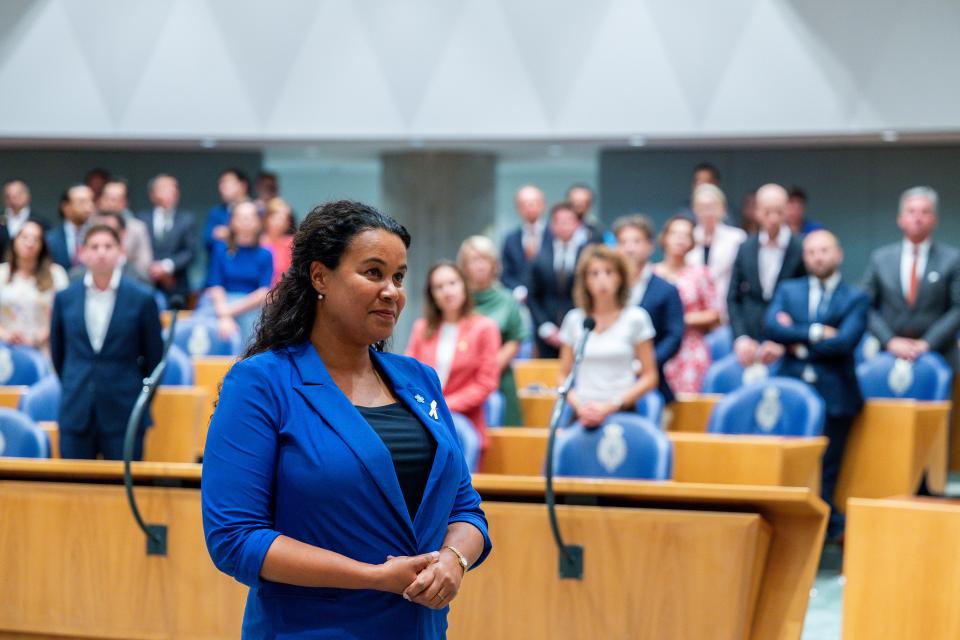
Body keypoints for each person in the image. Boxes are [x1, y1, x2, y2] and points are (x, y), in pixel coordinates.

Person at [201, 200, 491, 639]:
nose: (391, 290)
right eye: (373, 272)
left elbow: (466, 509)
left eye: (398, 276)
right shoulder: (262, 383)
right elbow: (235, 538)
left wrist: (455, 560)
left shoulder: (421, 381)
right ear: (320, 276)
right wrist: (371, 576)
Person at [764, 230, 868, 539]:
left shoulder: (856, 296)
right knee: (788, 466)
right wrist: (816, 333)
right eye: (811, 252)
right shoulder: (788, 291)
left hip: (837, 393)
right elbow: (771, 328)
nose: (817, 257)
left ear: (838, 254)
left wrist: (795, 342)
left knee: (827, 471)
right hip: (790, 392)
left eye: (824, 250)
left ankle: (822, 534)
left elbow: (845, 342)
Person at [49, 224, 163, 460]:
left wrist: (137, 396)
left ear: (120, 253)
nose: (101, 252)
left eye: (108, 246)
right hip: (76, 410)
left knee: (122, 490)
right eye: (94, 246)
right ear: (83, 253)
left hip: (125, 409)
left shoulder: (142, 298)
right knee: (74, 491)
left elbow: (155, 358)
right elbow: (58, 354)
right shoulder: (65, 298)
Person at [406, 261, 501, 468]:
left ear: (464, 286)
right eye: (439, 287)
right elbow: (408, 376)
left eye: (452, 283)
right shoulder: (421, 328)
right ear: (432, 294)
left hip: (464, 418)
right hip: (423, 415)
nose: (447, 291)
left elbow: (486, 383)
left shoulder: (485, 328)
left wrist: (444, 405)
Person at [558, 245, 658, 427]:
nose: (601, 279)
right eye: (594, 274)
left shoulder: (636, 318)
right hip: (583, 412)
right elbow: (563, 375)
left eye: (609, 272)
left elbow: (650, 377)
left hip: (622, 409)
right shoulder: (574, 319)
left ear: (620, 277)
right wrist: (580, 406)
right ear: (585, 281)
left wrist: (612, 405)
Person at [863, 186, 960, 369]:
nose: (918, 217)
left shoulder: (952, 259)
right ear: (900, 219)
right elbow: (865, 306)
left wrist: (928, 343)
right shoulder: (881, 259)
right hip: (888, 352)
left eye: (925, 212)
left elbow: (958, 308)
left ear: (934, 220)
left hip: (939, 353)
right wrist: (889, 340)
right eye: (911, 211)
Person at [728, 183, 806, 367]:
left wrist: (786, 337)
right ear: (756, 212)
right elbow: (733, 298)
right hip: (750, 342)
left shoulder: (801, 247)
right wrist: (741, 337)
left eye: (778, 211)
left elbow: (805, 298)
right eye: (767, 211)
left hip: (788, 345)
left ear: (787, 211)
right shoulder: (745, 247)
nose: (773, 218)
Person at [458, 235, 529, 426]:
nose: (480, 265)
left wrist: (488, 369)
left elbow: (515, 340)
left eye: (485, 259)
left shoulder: (507, 299)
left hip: (499, 376)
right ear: (464, 266)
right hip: (460, 377)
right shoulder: (456, 299)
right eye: (474, 260)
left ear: (494, 264)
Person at [613, 215, 684, 404]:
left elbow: (674, 337)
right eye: (623, 242)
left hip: (652, 381)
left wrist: (645, 363)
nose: (629, 248)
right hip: (610, 381)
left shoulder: (666, 290)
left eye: (636, 241)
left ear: (650, 246)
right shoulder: (606, 290)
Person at [655, 216, 720, 394]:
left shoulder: (700, 274)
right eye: (675, 233)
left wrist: (680, 319)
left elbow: (715, 314)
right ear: (664, 238)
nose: (680, 239)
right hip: (656, 345)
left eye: (686, 235)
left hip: (690, 349)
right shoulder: (651, 274)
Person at [201, 201, 273, 345]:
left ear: (258, 222)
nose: (246, 221)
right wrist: (223, 314)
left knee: (254, 326)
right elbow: (215, 285)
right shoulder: (220, 249)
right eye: (241, 217)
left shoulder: (266, 254)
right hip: (220, 302)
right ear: (232, 222)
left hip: (250, 305)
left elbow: (263, 291)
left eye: (250, 217)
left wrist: (229, 312)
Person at [527, 202, 590, 358]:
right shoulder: (540, 255)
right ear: (552, 225)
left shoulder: (588, 255)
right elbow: (533, 295)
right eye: (559, 221)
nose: (563, 226)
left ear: (577, 224)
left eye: (568, 221)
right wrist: (545, 327)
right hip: (547, 332)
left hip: (579, 330)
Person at [0, 221, 69, 355]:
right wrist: (5, 335)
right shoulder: (1, 273)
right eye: (24, 237)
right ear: (14, 240)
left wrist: (38, 338)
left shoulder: (56, 274)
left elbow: (64, 313)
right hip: (5, 349)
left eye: (35, 239)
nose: (29, 243)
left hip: (43, 350)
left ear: (42, 244)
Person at [686, 184, 746, 323]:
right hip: (695, 315)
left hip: (728, 312)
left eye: (712, 206)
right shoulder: (689, 237)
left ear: (723, 208)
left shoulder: (737, 238)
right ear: (694, 209)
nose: (707, 212)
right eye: (702, 207)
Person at [138, 174, 197, 304]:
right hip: (146, 282)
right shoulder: (141, 219)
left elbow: (190, 253)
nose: (172, 191)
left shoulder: (186, 220)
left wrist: (166, 267)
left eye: (175, 188)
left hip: (176, 285)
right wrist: (153, 269)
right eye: (165, 187)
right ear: (152, 194)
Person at [98, 179, 153, 280]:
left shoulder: (138, 228)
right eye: (107, 198)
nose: (110, 203)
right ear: (100, 200)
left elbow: (143, 265)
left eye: (115, 199)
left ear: (125, 202)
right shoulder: (90, 226)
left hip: (129, 281)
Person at [500, 185, 547, 301]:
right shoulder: (510, 239)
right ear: (517, 209)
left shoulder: (555, 236)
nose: (529, 208)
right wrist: (517, 289)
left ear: (543, 205)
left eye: (533, 203)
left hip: (548, 302)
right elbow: (505, 273)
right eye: (523, 204)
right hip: (519, 301)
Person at [47, 184, 95, 270]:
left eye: (91, 201)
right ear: (66, 207)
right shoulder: (50, 240)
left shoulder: (100, 237)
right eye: (82, 202)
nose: (89, 207)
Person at [203, 168, 250, 253]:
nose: (222, 188)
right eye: (221, 184)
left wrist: (230, 233)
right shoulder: (216, 212)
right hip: (222, 260)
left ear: (242, 185)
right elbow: (207, 241)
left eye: (227, 183)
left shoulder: (256, 209)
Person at [261, 196, 296, 288]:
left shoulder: (292, 243)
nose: (279, 222)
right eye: (275, 218)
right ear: (266, 218)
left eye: (283, 219)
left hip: (282, 291)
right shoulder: (257, 243)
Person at [2, 179, 35, 259]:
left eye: (19, 193)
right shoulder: (1, 217)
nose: (14, 197)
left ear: (28, 195)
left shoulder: (38, 221)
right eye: (10, 194)